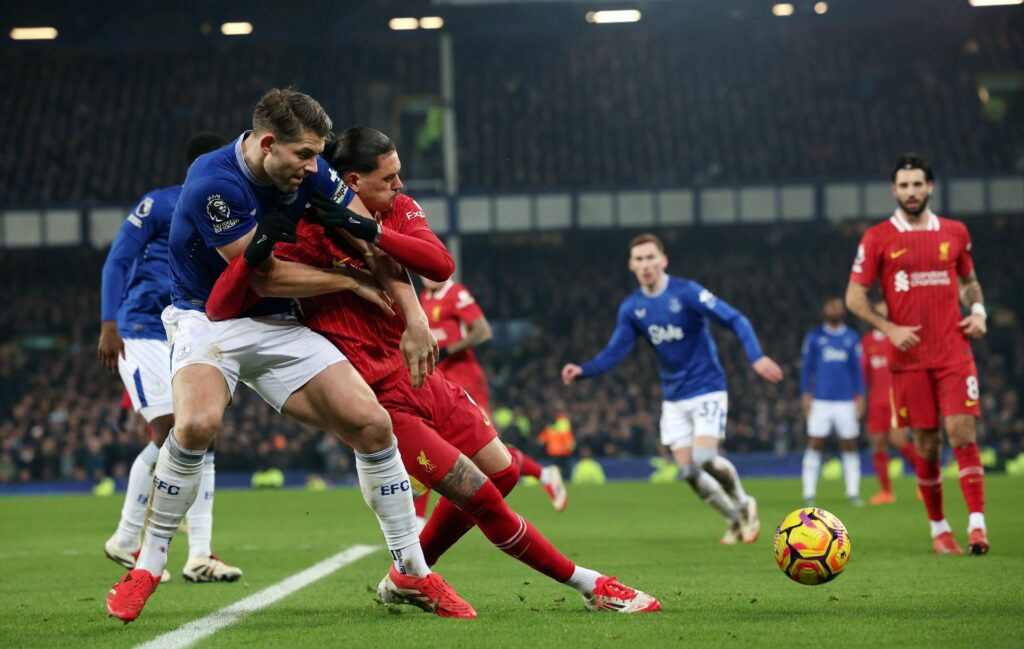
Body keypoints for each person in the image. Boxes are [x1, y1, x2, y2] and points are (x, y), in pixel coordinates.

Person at [205, 125, 660, 615]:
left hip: (425, 377)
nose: (401, 186)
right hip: (376, 393)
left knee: (502, 473)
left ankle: (409, 572)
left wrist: (375, 234)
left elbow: (440, 264)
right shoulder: (301, 232)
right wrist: (313, 270)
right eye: (390, 178)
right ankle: (592, 586)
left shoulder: (394, 209)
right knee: (483, 498)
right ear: (352, 181)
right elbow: (231, 297)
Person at [105, 89, 468, 622]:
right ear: (269, 144)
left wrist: (414, 316)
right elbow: (263, 274)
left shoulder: (310, 171)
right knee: (197, 424)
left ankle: (413, 570)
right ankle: (148, 564)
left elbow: (374, 242)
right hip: (207, 318)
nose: (315, 167)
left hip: (278, 321)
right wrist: (349, 279)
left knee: (372, 424)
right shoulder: (215, 185)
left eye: (318, 153)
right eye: (304, 155)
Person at [562, 233, 783, 544]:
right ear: (631, 265)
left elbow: (735, 318)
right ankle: (733, 519)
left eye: (651, 257)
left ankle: (745, 504)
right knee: (690, 473)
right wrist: (584, 370)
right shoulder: (632, 308)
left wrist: (755, 355)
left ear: (663, 260)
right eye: (639, 259)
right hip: (674, 398)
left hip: (707, 387)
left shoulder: (687, 292)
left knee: (705, 457)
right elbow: (615, 351)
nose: (646, 264)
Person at [98, 132, 242, 585]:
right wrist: (108, 323)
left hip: (185, 329)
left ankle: (199, 554)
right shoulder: (160, 204)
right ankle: (125, 539)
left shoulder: (228, 208)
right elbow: (118, 261)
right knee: (168, 433)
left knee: (202, 436)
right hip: (140, 328)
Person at [846, 153, 989, 555]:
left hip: (953, 352)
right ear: (894, 190)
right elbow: (854, 297)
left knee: (962, 432)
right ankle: (940, 528)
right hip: (908, 362)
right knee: (927, 446)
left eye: (917, 184)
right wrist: (889, 328)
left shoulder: (955, 232)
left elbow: (969, 281)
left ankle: (977, 526)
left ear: (930, 187)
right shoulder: (877, 238)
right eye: (904, 185)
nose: (911, 192)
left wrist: (978, 312)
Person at [420, 276, 567, 513]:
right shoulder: (424, 298)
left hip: (465, 377)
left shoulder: (456, 293)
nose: (425, 275)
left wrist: (448, 349)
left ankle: (544, 474)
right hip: (439, 378)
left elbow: (483, 331)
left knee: (483, 446)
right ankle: (417, 523)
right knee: (427, 441)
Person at [799, 298, 865, 507]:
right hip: (821, 400)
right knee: (816, 442)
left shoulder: (852, 338)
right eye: (830, 306)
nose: (833, 309)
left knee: (849, 444)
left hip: (845, 400)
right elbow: (806, 369)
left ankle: (853, 492)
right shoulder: (815, 337)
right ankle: (809, 492)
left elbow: (857, 370)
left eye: (837, 306)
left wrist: (860, 396)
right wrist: (805, 394)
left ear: (842, 311)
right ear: (824, 310)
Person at [861, 301, 919, 505]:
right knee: (878, 444)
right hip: (876, 401)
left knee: (900, 441)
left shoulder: (898, 339)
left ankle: (925, 480)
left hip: (897, 399)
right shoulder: (867, 342)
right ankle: (886, 491)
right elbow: (864, 376)